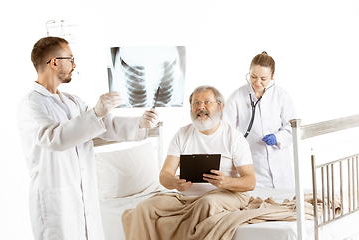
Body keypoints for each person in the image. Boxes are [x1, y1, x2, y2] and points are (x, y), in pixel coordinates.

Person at [17, 36, 159, 240]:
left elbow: (103, 125)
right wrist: (96, 113)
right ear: (54, 61)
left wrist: (140, 123)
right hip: (56, 199)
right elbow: (54, 138)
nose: (75, 65)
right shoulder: (31, 104)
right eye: (71, 58)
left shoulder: (72, 101)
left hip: (84, 195)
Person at [121, 85, 255, 240]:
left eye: (207, 102)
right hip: (187, 199)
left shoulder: (234, 138)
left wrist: (226, 182)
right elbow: (164, 175)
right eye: (196, 103)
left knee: (206, 203)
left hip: (226, 195)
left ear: (220, 106)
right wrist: (174, 182)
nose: (201, 107)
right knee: (144, 207)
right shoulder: (182, 134)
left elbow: (250, 182)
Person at [222, 51, 297, 188]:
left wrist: (277, 138)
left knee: (286, 204)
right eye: (253, 76)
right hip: (254, 169)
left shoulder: (281, 95)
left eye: (263, 78)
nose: (257, 82)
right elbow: (226, 131)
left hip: (282, 171)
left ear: (272, 76)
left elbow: (293, 128)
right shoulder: (237, 97)